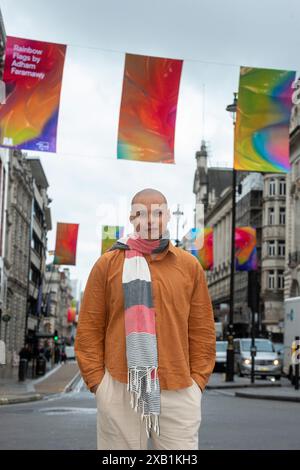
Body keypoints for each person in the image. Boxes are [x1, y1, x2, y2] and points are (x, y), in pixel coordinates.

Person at [75, 188, 216, 450]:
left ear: (168, 217)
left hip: (178, 386)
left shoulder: (189, 266)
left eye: (158, 212)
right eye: (142, 213)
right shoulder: (107, 265)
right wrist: (99, 384)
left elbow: (202, 330)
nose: (150, 220)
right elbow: (90, 328)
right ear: (132, 219)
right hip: (119, 386)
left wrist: (197, 382)